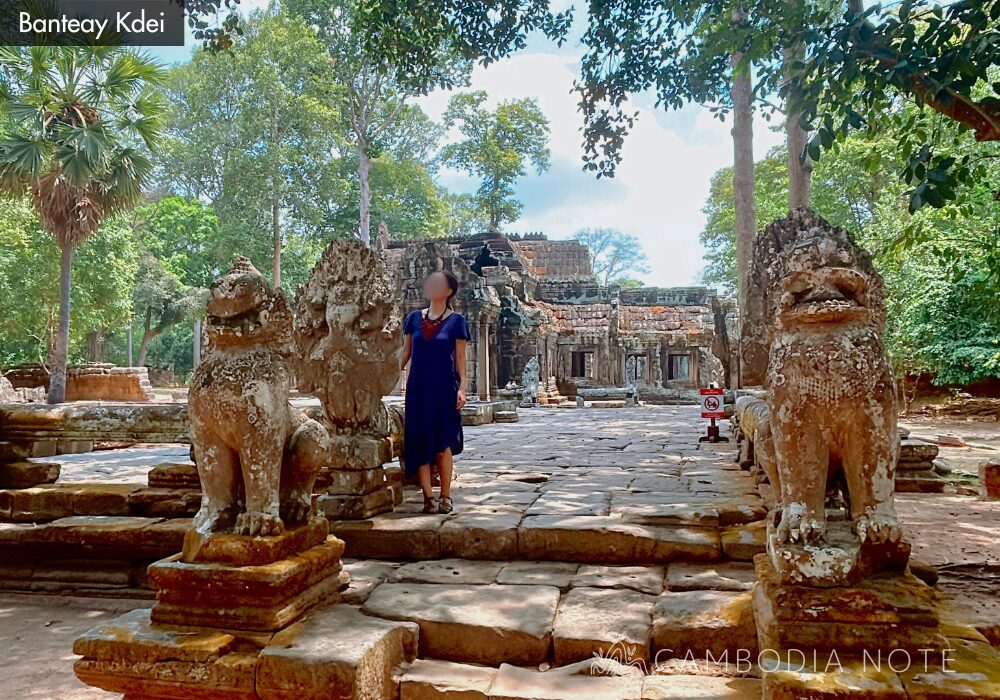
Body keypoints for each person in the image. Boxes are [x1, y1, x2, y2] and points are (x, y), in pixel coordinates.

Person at [399, 270, 470, 513]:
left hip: (444, 388)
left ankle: (445, 496)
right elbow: (405, 354)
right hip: (418, 389)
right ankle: (428, 497)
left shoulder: (457, 321)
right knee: (419, 441)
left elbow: (460, 360)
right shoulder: (413, 319)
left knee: (442, 442)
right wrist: (384, 376)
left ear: (448, 291)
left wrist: (462, 388)